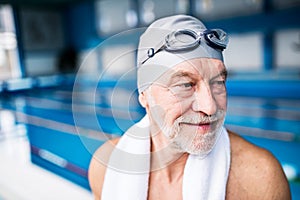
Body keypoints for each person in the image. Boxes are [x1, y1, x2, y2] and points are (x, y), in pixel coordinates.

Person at [88, 15, 291, 199]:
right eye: (186, 85)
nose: (210, 107)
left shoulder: (260, 179)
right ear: (145, 95)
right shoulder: (105, 167)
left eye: (218, 82)